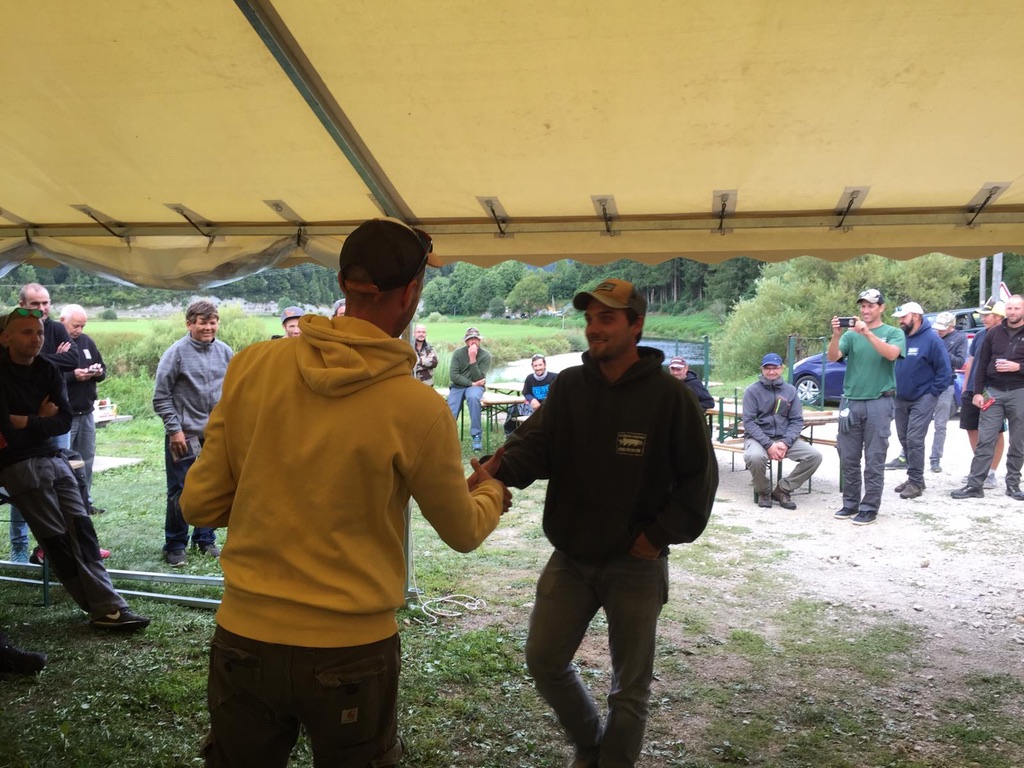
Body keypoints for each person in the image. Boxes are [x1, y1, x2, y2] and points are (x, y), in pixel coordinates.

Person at [180, 217, 509, 768]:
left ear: (342, 281)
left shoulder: (252, 366)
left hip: (245, 636)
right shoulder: (418, 408)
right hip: (354, 649)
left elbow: (199, 506)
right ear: (411, 292)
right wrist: (491, 490)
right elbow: (463, 531)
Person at [490, 277, 717, 768]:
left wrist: (656, 537)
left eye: (607, 318)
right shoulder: (570, 385)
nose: (594, 328)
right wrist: (497, 470)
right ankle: (592, 745)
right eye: (591, 318)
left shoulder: (670, 397)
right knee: (544, 660)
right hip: (571, 556)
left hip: (635, 563)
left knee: (629, 688)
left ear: (636, 325)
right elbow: (535, 445)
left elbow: (699, 480)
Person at [0, 309, 149, 630]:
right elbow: (6, 433)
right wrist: (40, 418)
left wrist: (25, 420)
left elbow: (63, 420)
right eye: (26, 332)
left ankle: (109, 607)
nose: (36, 339)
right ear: (6, 338)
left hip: (55, 458)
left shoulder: (47, 369)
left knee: (82, 532)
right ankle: (104, 608)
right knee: (57, 541)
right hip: (21, 465)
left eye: (39, 332)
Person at [153, 300, 233, 567]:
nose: (208, 327)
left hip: (215, 436)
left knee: (211, 487)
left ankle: (205, 539)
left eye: (212, 322)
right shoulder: (175, 353)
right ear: (189, 324)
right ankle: (175, 545)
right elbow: (161, 397)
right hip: (183, 435)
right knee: (180, 489)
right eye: (202, 323)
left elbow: (233, 393)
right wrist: (174, 430)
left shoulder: (225, 352)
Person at [7, 283, 78, 562]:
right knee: (24, 487)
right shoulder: (12, 331)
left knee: (62, 480)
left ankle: (53, 546)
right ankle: (20, 545)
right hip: (21, 442)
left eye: (45, 303)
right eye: (35, 304)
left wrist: (39, 359)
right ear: (21, 305)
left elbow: (71, 359)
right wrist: (38, 417)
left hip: (52, 420)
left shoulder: (57, 329)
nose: (42, 309)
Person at [828, 288, 906, 526]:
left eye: (871, 306)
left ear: (881, 308)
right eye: (863, 306)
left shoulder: (893, 333)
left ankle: (870, 507)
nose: (866, 310)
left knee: (874, 458)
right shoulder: (850, 335)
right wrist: (836, 335)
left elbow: (892, 354)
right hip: (851, 401)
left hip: (879, 401)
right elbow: (833, 357)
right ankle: (850, 503)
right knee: (848, 457)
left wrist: (868, 334)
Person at [952, 294, 1024, 501]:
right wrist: (977, 392)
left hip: (1019, 390)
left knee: (1018, 441)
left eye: (1017, 308)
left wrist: (1018, 367)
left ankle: (1013, 484)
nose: (1012, 312)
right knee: (985, 438)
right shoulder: (993, 333)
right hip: (994, 390)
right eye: (1009, 308)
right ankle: (975, 485)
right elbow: (981, 363)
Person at [742, 352, 822, 510]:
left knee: (814, 456)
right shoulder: (752, 391)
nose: (771, 372)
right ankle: (763, 491)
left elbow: (797, 420)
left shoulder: (790, 391)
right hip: (758, 438)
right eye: (767, 368)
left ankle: (783, 489)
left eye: (775, 368)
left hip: (784, 438)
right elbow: (749, 422)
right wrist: (768, 445)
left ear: (781, 369)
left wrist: (785, 442)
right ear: (762, 369)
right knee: (755, 457)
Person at [887, 302, 951, 500]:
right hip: (901, 397)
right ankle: (915, 478)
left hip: (923, 397)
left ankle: (915, 482)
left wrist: (932, 394)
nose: (900, 321)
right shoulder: (901, 337)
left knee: (915, 439)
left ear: (916, 316)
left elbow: (945, 372)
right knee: (904, 438)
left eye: (903, 317)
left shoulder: (932, 339)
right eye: (899, 318)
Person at [59, 304, 106, 514]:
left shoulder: (87, 342)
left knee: (86, 459)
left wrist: (97, 372)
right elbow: (47, 374)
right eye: (76, 326)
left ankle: (85, 502)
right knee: (65, 462)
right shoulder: (55, 343)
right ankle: (67, 505)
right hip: (65, 415)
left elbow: (103, 370)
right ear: (63, 321)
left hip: (86, 412)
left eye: (82, 326)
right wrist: (72, 376)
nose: (79, 330)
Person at [956, 298, 1005, 489]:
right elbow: (971, 361)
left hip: (991, 390)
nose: (983, 318)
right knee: (971, 427)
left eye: (987, 315)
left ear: (998, 316)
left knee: (996, 431)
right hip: (973, 389)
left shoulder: (1005, 336)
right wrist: (966, 387)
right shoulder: (979, 335)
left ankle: (991, 472)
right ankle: (979, 469)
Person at [928, 311, 968, 473]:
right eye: (937, 328)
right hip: (928, 382)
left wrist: (942, 350)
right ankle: (906, 455)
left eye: (943, 328)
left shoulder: (960, 338)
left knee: (940, 424)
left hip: (946, 383)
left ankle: (935, 458)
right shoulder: (932, 335)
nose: (939, 331)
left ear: (951, 326)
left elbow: (960, 362)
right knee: (917, 422)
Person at [448, 327, 492, 451]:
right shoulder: (458, 353)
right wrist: (471, 383)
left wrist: (472, 359)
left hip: (476, 387)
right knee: (451, 409)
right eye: (470, 339)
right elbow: (454, 376)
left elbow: (479, 377)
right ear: (466, 341)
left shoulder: (485, 356)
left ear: (480, 340)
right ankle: (447, 437)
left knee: (473, 399)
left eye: (476, 339)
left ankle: (476, 436)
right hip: (459, 386)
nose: (473, 341)